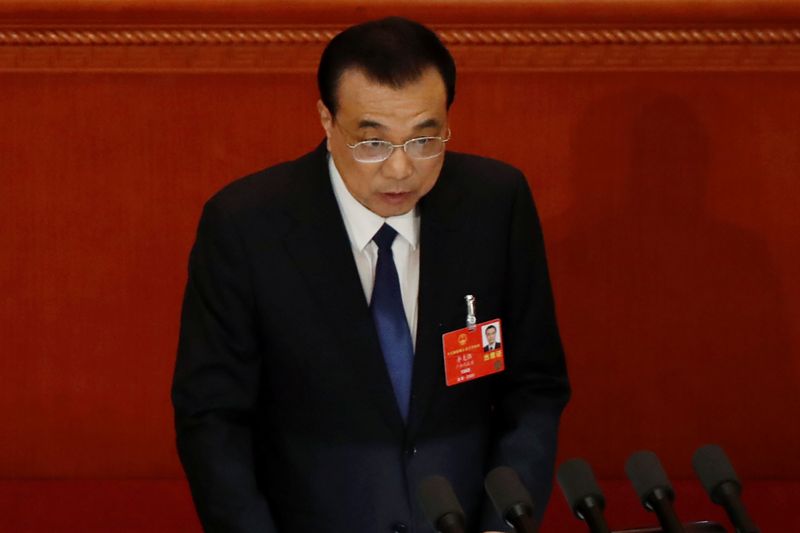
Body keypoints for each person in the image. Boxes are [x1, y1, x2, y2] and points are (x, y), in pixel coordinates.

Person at [172, 16, 569, 533]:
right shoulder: (248, 226)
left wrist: (504, 525)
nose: (401, 169)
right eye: (374, 143)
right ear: (326, 119)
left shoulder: (495, 204)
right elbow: (212, 418)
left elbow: (534, 386)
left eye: (425, 140)